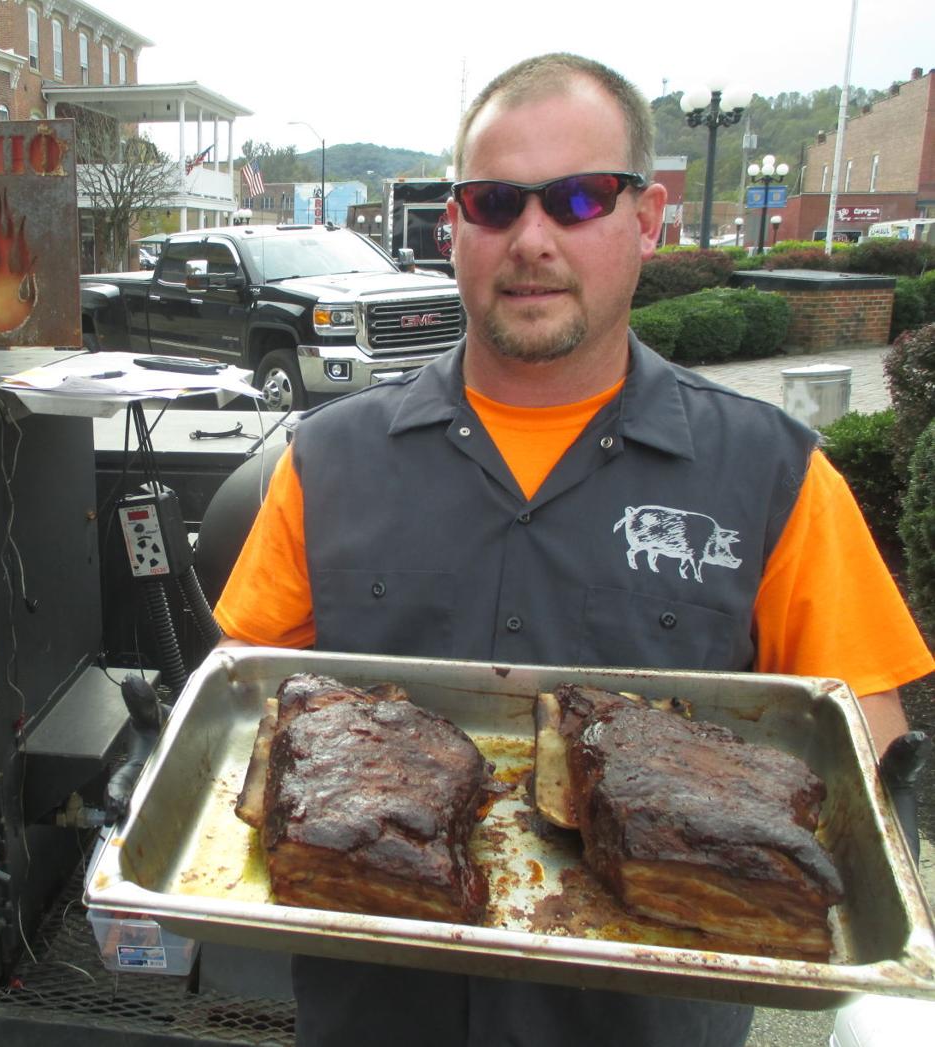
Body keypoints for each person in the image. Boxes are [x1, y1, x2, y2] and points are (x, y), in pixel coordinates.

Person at [212, 52, 933, 1047]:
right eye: (496, 202)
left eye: (581, 198)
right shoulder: (328, 460)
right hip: (373, 1014)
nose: (531, 240)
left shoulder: (770, 474)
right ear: (454, 226)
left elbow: (866, 757)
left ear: (646, 220)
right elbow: (237, 721)